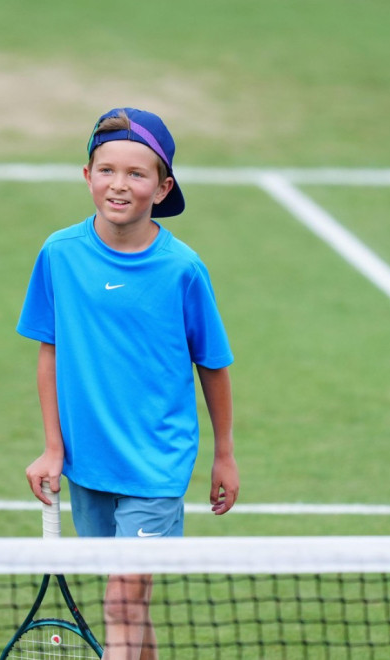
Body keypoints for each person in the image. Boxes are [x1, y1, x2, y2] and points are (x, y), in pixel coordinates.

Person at [17, 107, 238, 659]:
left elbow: (212, 364)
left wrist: (224, 455)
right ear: (87, 176)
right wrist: (52, 447)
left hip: (157, 463)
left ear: (162, 188)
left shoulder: (183, 269)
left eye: (136, 174)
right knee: (129, 604)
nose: (119, 184)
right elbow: (50, 351)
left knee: (121, 602)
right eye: (107, 170)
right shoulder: (59, 255)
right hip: (89, 461)